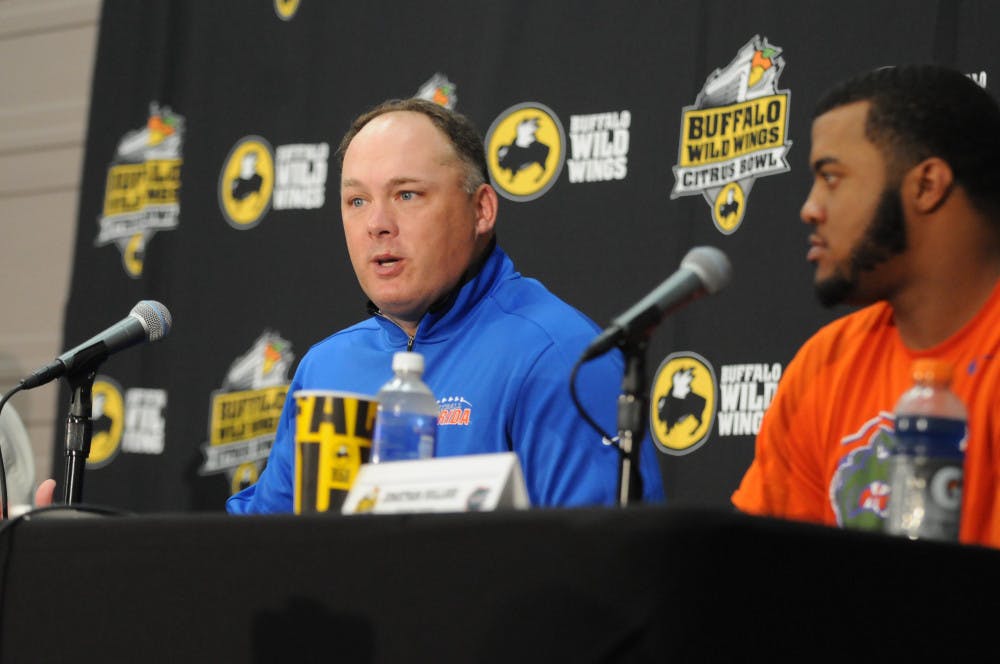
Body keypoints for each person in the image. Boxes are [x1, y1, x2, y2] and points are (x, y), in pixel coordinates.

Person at [227, 98, 665, 513]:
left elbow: (602, 564)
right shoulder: (325, 369)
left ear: (482, 210)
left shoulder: (558, 357)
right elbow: (263, 546)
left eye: (407, 195)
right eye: (357, 201)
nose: (377, 225)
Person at [732, 65, 1000, 547]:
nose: (809, 208)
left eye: (831, 177)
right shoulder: (825, 366)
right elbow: (764, 582)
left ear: (926, 185)